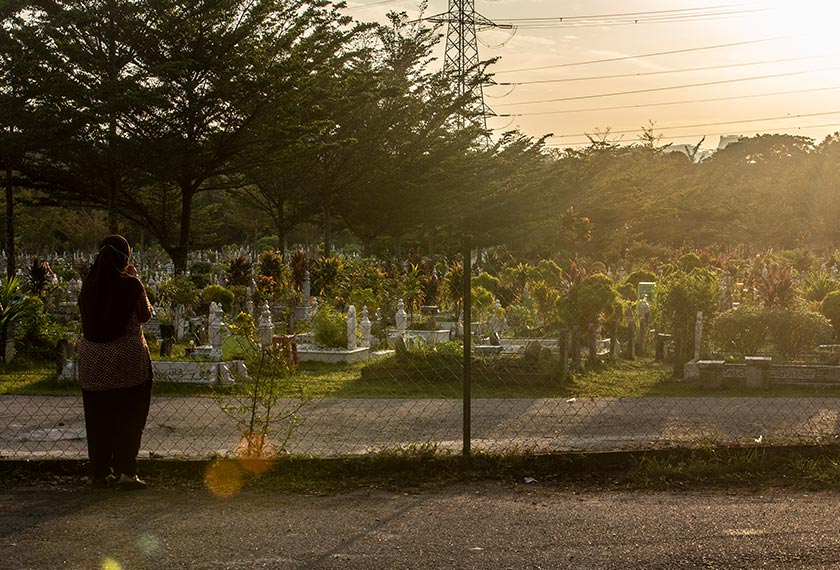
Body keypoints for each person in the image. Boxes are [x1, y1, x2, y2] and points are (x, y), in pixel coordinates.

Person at [77, 235, 153, 490]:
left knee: (98, 419)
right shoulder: (131, 285)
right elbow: (145, 315)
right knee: (129, 417)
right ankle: (127, 473)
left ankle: (99, 472)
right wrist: (134, 278)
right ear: (125, 258)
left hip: (92, 363)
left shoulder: (88, 285)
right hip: (128, 363)